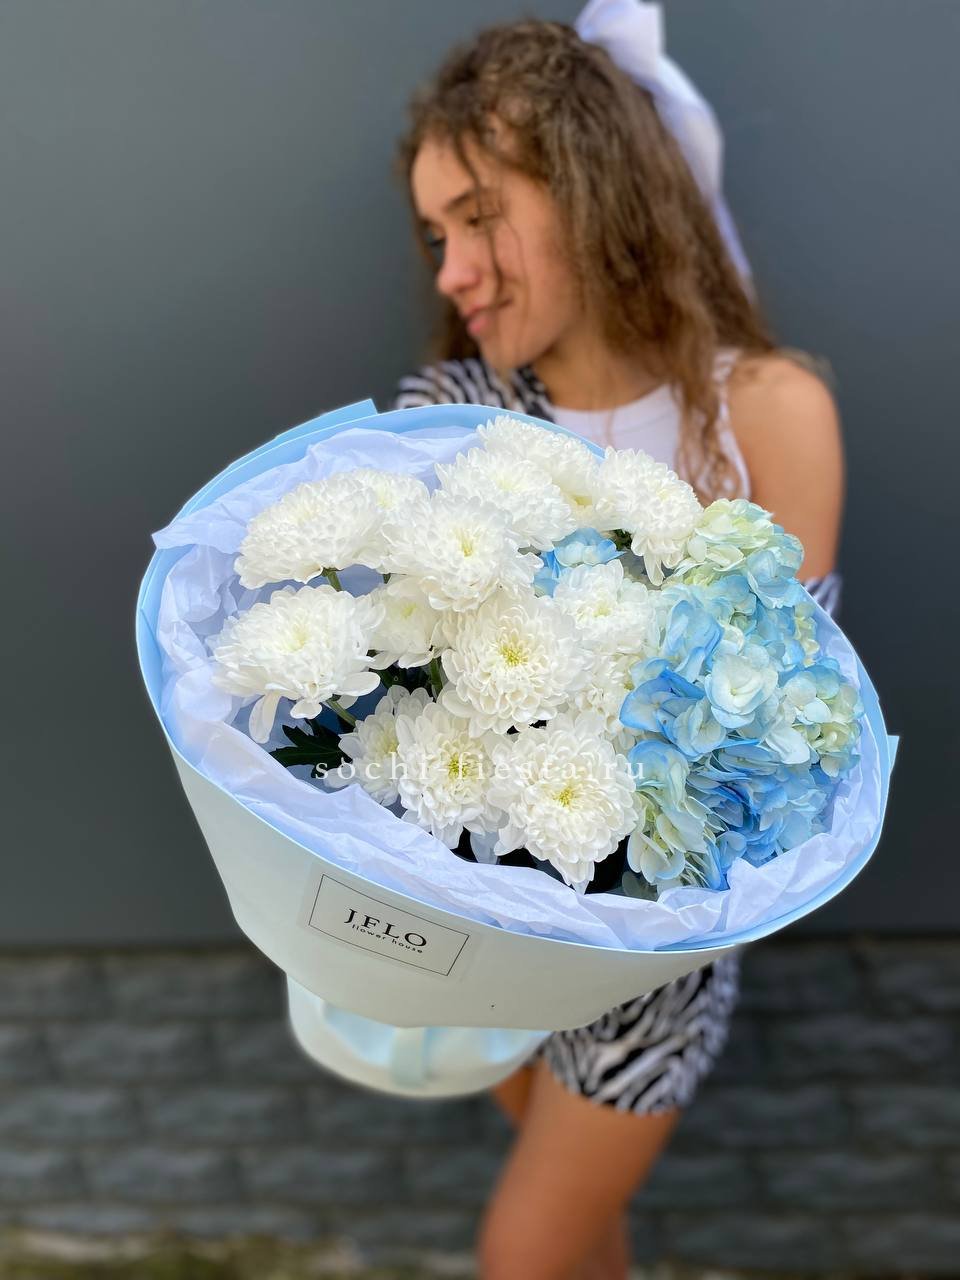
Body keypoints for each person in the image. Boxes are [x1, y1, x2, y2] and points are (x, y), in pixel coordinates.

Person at [390, 8, 845, 1279]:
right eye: (435, 235)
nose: (451, 272)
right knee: (582, 1244)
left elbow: (783, 739)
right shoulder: (449, 416)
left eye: (480, 217)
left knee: (522, 1254)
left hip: (660, 951)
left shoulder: (770, 414)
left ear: (596, 192)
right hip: (487, 918)